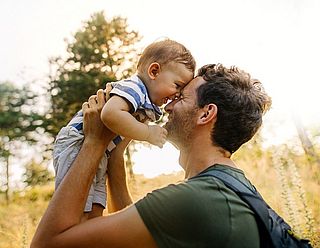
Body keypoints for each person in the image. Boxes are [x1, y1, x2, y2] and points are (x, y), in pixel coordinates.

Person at [31, 63, 272, 248]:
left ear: (206, 114)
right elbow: (132, 233)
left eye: (180, 97)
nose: (166, 107)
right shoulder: (232, 187)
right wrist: (115, 153)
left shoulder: (193, 199)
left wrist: (93, 142)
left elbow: (47, 244)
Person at [53, 39, 195, 219]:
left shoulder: (145, 103)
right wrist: (147, 133)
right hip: (77, 142)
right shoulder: (134, 88)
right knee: (77, 207)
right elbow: (109, 114)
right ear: (154, 71)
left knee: (96, 205)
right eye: (177, 85)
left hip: (101, 150)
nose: (177, 94)